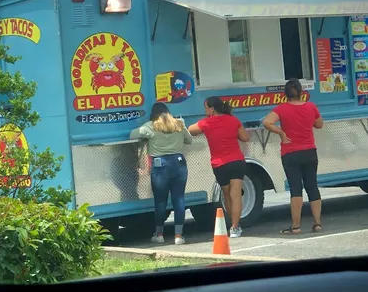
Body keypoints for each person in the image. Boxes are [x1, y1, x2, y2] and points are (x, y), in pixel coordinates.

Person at [263, 78, 324, 235]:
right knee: (312, 186)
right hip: (310, 151)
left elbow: (267, 122)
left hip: (290, 153)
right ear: (301, 92)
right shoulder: (311, 107)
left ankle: (296, 226)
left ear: (285, 94)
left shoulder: (281, 109)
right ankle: (317, 223)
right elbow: (319, 124)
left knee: (296, 188)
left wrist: (281, 132)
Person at [130, 103, 192, 245]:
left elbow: (132, 134)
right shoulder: (179, 124)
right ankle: (178, 236)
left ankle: (159, 234)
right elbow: (189, 140)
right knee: (179, 199)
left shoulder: (150, 126)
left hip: (160, 166)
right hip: (179, 164)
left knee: (160, 201)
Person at [188, 96, 250, 238]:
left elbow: (190, 130)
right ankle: (235, 227)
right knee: (236, 195)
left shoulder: (206, 123)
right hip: (237, 161)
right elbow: (245, 137)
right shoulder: (233, 120)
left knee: (227, 195)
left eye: (206, 108)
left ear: (212, 109)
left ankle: (232, 225)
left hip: (219, 164)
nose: (205, 110)